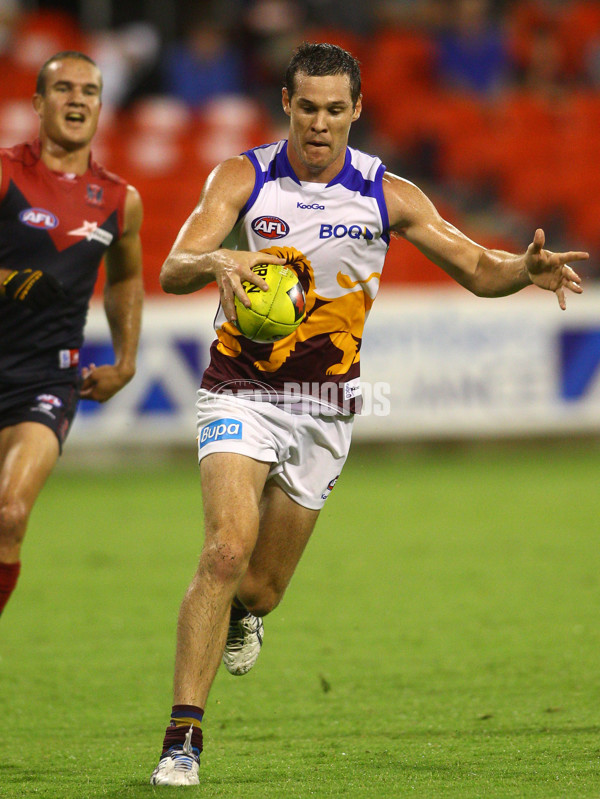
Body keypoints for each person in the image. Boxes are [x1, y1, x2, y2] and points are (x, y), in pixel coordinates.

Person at [149, 42, 587, 786]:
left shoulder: (389, 194)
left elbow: (478, 267)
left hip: (325, 407)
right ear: (286, 104)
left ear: (357, 110)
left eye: (334, 109)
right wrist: (220, 260)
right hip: (240, 388)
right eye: (307, 107)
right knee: (224, 549)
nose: (319, 124)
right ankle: (182, 739)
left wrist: (524, 269)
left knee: (258, 586)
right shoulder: (244, 177)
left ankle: (245, 615)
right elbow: (171, 265)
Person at [0, 51, 143, 617]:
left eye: (89, 90)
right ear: (38, 103)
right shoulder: (7, 172)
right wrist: (10, 282)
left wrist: (126, 361)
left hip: (45, 377)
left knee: (10, 516)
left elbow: (126, 278)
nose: (78, 99)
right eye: (63, 88)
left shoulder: (119, 199)